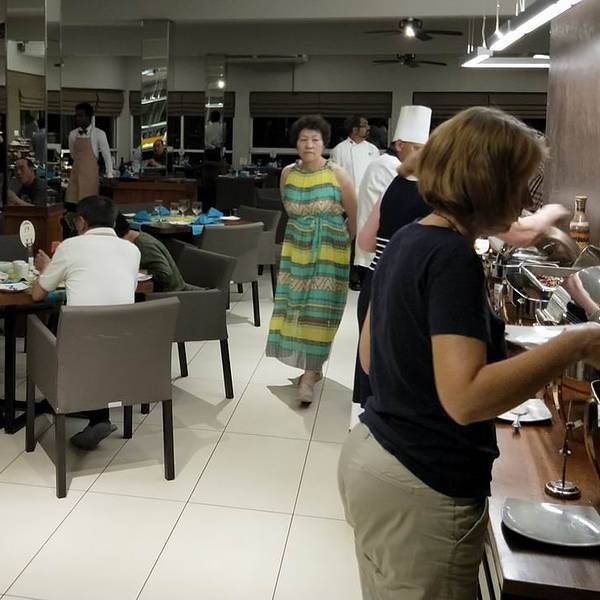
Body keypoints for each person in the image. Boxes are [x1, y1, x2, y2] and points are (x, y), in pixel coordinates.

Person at [338, 106, 600, 600]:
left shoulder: (410, 236)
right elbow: (464, 399)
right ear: (488, 181)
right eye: (522, 183)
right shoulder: (453, 257)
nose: (527, 200)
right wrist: (577, 342)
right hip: (423, 479)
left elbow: (374, 357)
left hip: (374, 459)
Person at [32, 195, 140, 450]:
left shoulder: (70, 247)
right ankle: (98, 417)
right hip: (125, 345)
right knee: (96, 333)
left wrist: (47, 267)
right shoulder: (132, 250)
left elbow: (37, 294)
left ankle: (60, 400)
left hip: (80, 348)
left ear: (81, 222)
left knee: (48, 326)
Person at [266, 114, 357, 405]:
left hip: (329, 248)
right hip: (296, 247)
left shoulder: (338, 174)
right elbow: (289, 207)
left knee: (319, 310)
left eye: (315, 139)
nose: (309, 144)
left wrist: (342, 243)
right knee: (296, 307)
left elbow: (353, 214)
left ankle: (309, 375)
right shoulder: (287, 174)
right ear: (296, 143)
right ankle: (312, 367)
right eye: (303, 139)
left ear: (324, 143)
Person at [353, 105, 431, 286]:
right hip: (380, 255)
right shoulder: (389, 166)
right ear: (399, 145)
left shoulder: (390, 164)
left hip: (383, 253)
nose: (421, 157)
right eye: (417, 149)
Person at [114, 213, 186, 292]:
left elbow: (164, 275)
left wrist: (138, 272)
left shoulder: (143, 245)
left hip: (170, 293)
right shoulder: (135, 237)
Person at [66, 102, 114, 209]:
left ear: (89, 117)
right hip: (76, 173)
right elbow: (73, 153)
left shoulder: (99, 134)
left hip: (91, 175)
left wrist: (110, 175)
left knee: (90, 205)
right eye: (76, 115)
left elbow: (107, 155)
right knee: (73, 203)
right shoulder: (72, 134)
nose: (77, 118)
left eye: (81, 115)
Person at [330, 115, 379, 193]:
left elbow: (377, 174)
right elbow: (334, 176)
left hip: (368, 195)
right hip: (347, 195)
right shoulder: (338, 150)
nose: (368, 128)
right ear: (355, 130)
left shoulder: (373, 149)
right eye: (365, 126)